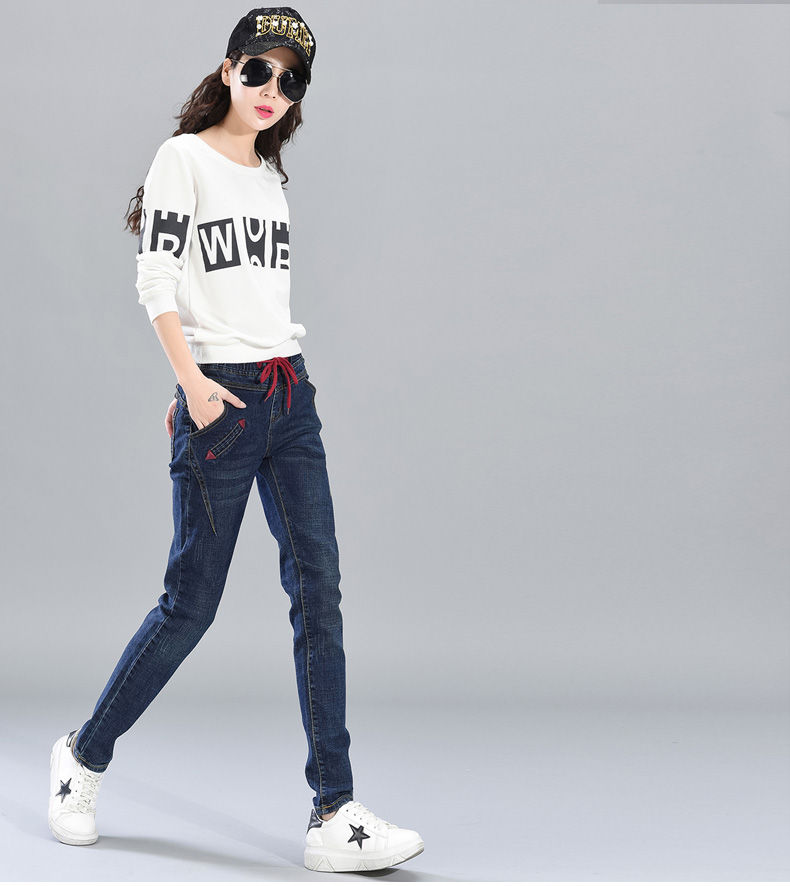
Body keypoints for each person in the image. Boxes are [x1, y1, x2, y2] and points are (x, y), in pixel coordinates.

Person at [47, 7, 424, 874]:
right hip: (223, 402)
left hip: (289, 392)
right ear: (227, 69)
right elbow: (157, 278)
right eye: (259, 70)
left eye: (291, 81)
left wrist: (208, 381)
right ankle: (82, 756)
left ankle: (333, 811)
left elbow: (241, 298)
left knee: (319, 591)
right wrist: (192, 386)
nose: (271, 90)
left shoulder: (269, 179)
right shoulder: (182, 159)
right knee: (191, 605)